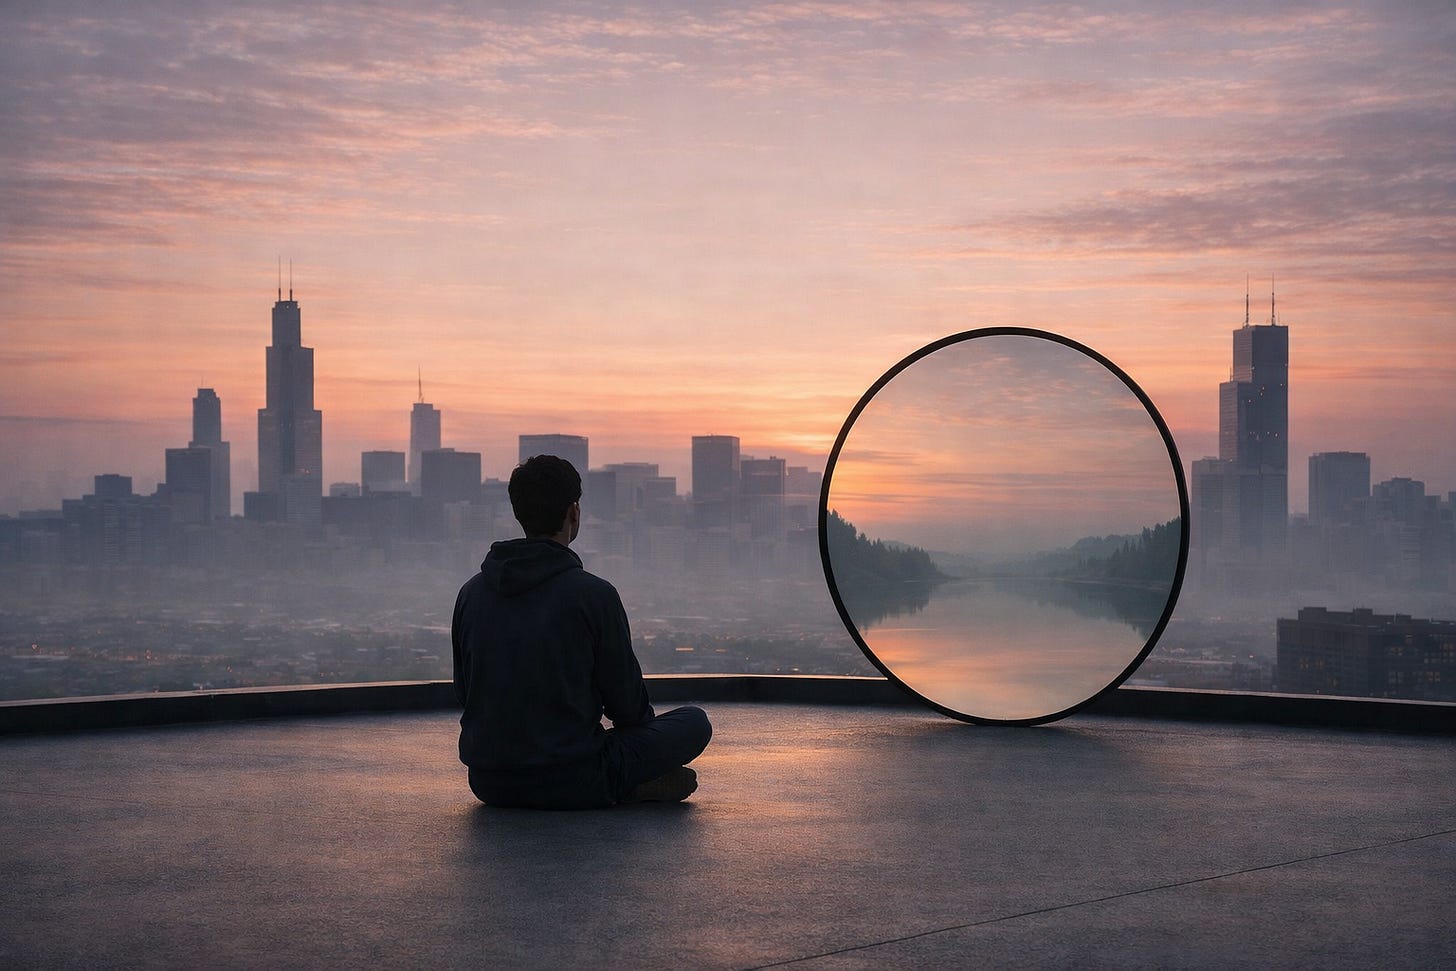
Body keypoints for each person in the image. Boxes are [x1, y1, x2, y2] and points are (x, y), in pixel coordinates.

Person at [452, 454, 712, 809]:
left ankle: (621, 783)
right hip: (574, 775)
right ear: (573, 512)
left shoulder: (471, 593)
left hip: (489, 781)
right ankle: (625, 784)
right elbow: (628, 708)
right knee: (694, 722)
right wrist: (641, 750)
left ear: (518, 513)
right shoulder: (593, 595)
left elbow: (465, 692)